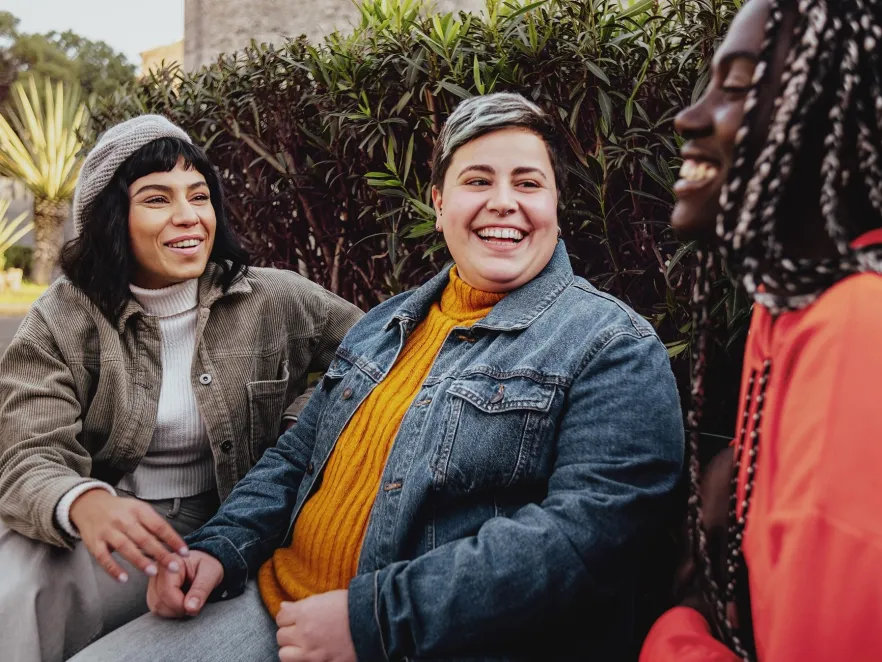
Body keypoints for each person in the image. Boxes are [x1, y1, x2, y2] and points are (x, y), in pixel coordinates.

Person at [72, 93, 685, 662]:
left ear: (554, 205)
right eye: (477, 181)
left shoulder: (612, 347)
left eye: (529, 183)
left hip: (414, 640)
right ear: (440, 204)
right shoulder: (388, 324)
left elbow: (584, 542)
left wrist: (372, 620)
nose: (504, 201)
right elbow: (296, 458)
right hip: (277, 601)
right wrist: (217, 548)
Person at [0, 115, 363, 662]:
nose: (188, 216)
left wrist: (303, 424)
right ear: (111, 219)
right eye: (156, 199)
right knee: (18, 583)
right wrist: (86, 502)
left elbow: (380, 354)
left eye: (199, 195)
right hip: (121, 522)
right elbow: (27, 453)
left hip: (233, 524)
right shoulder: (63, 317)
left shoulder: (272, 298)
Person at [640, 0, 882, 660]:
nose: (689, 117)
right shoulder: (792, 315)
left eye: (739, 83)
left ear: (847, 111)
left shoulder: (858, 329)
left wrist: (676, 633)